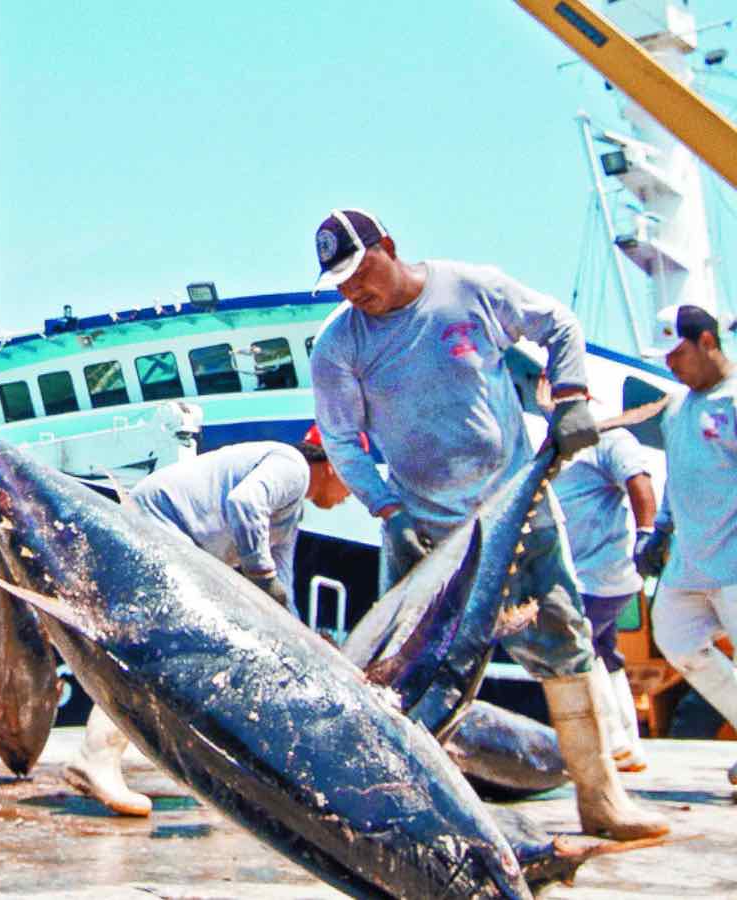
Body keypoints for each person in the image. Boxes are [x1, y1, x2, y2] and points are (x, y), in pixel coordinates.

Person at [309, 208, 668, 841]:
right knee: (403, 676)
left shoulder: (470, 289)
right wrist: (387, 510)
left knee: (565, 642)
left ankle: (601, 798)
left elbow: (559, 324)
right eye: (338, 282)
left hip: (516, 510)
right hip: (424, 534)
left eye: (359, 271)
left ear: (388, 245)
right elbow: (340, 440)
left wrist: (572, 397)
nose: (352, 290)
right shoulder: (339, 345)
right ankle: (410, 814)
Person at [64, 437, 350, 816]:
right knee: (158, 655)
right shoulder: (292, 466)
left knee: (178, 660)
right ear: (331, 466)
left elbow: (283, 584)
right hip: (159, 527)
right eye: (351, 482)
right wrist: (261, 575)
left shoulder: (290, 513)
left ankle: (119, 757)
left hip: (179, 543)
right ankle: (94, 756)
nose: (351, 496)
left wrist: (300, 640)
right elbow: (245, 503)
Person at [636, 303, 737, 784]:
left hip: (734, 563)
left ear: (708, 342)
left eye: (677, 353)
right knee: (676, 639)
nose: (670, 364)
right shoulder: (676, 409)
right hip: (690, 563)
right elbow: (676, 475)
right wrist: (660, 529)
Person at [537, 375, 655, 772]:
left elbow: (638, 480)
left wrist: (646, 533)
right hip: (577, 572)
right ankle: (628, 746)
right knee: (605, 652)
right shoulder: (560, 439)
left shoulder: (609, 438)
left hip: (598, 574)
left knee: (574, 647)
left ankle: (614, 741)